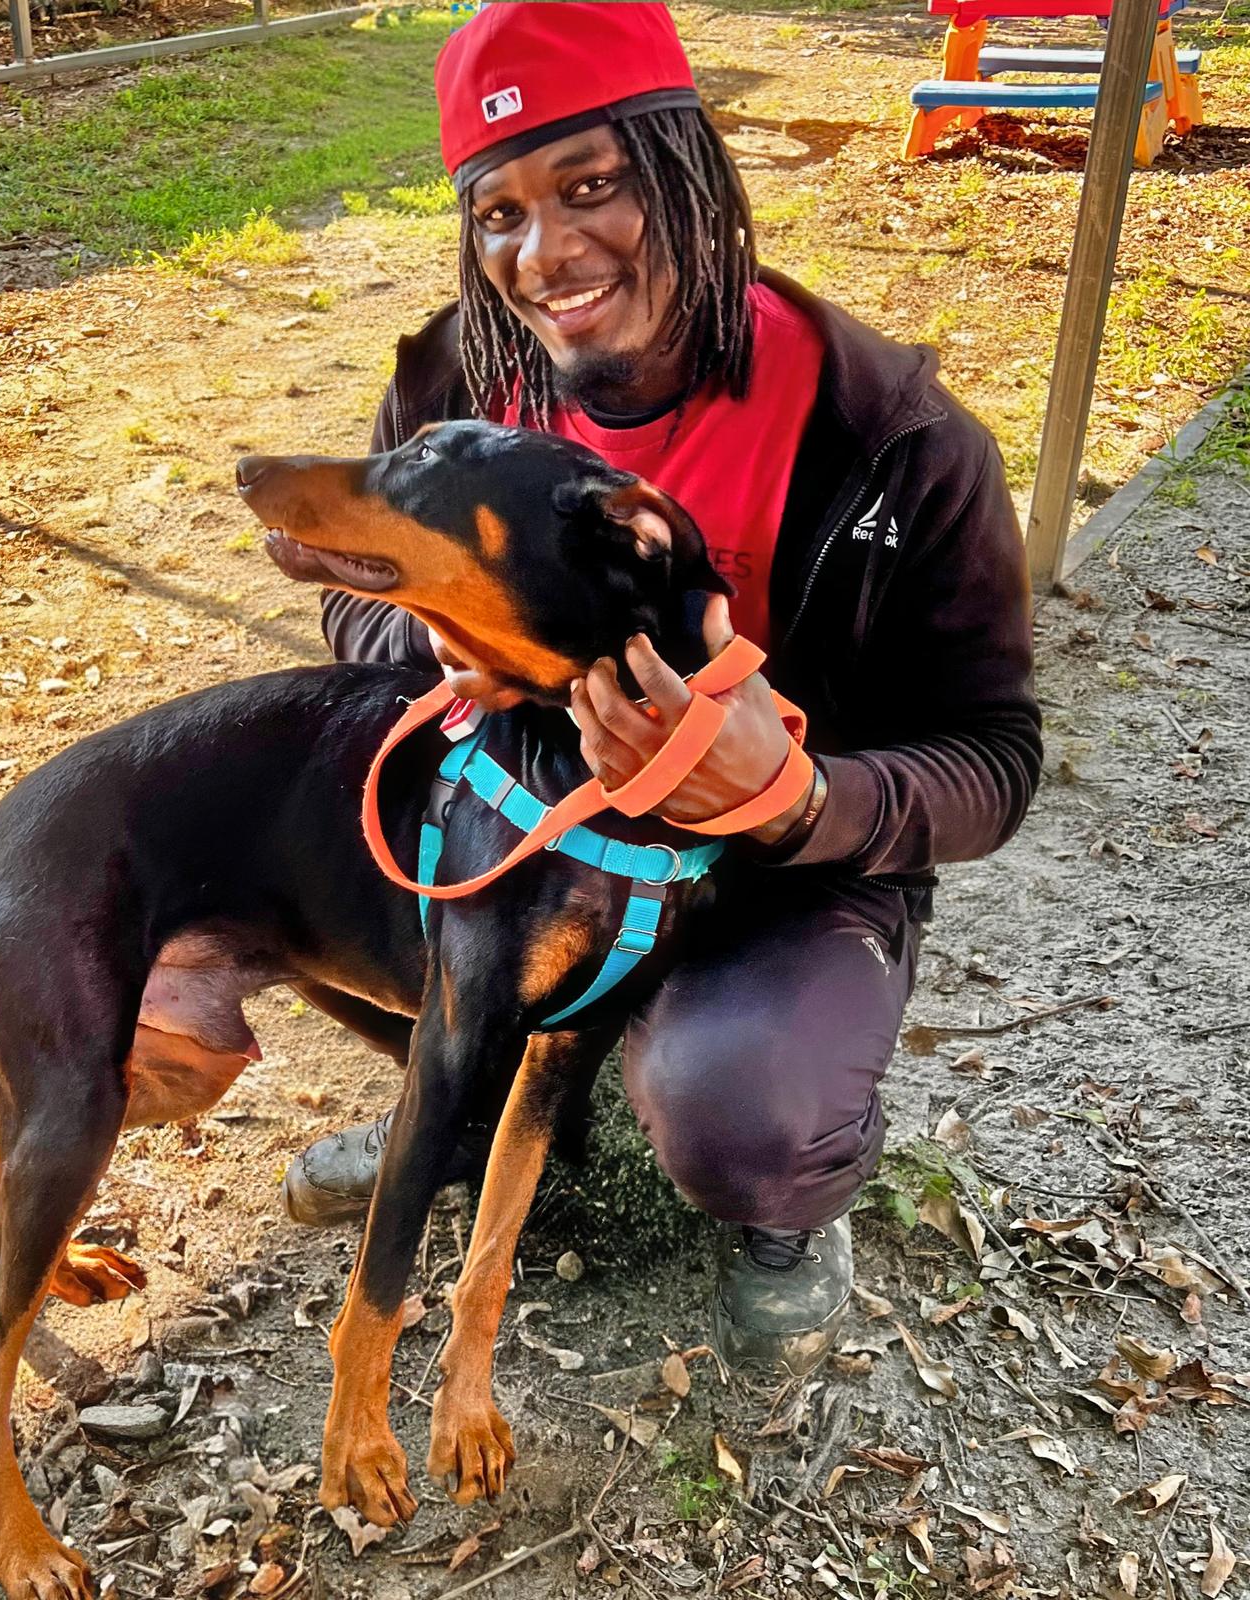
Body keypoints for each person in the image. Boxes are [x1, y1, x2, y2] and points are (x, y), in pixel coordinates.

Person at [283, 1, 1042, 1379]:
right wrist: (440, 644)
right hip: (532, 824)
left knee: (731, 1100)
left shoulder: (890, 435)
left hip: (782, 871)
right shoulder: (462, 374)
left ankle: (787, 1211)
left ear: (688, 166)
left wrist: (798, 795)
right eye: (500, 211)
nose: (546, 253)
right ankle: (462, 1116)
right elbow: (358, 593)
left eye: (593, 186)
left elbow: (994, 758)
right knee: (297, 860)